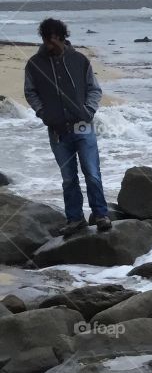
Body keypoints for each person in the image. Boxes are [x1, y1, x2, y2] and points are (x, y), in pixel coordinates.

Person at [23, 18, 112, 237]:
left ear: (62, 37)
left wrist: (88, 111)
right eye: (46, 39)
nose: (49, 44)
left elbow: (94, 89)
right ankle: (75, 219)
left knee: (92, 173)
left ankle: (100, 215)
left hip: (83, 125)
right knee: (68, 178)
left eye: (53, 39)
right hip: (57, 130)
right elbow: (30, 92)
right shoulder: (34, 64)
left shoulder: (79, 60)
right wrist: (43, 113)